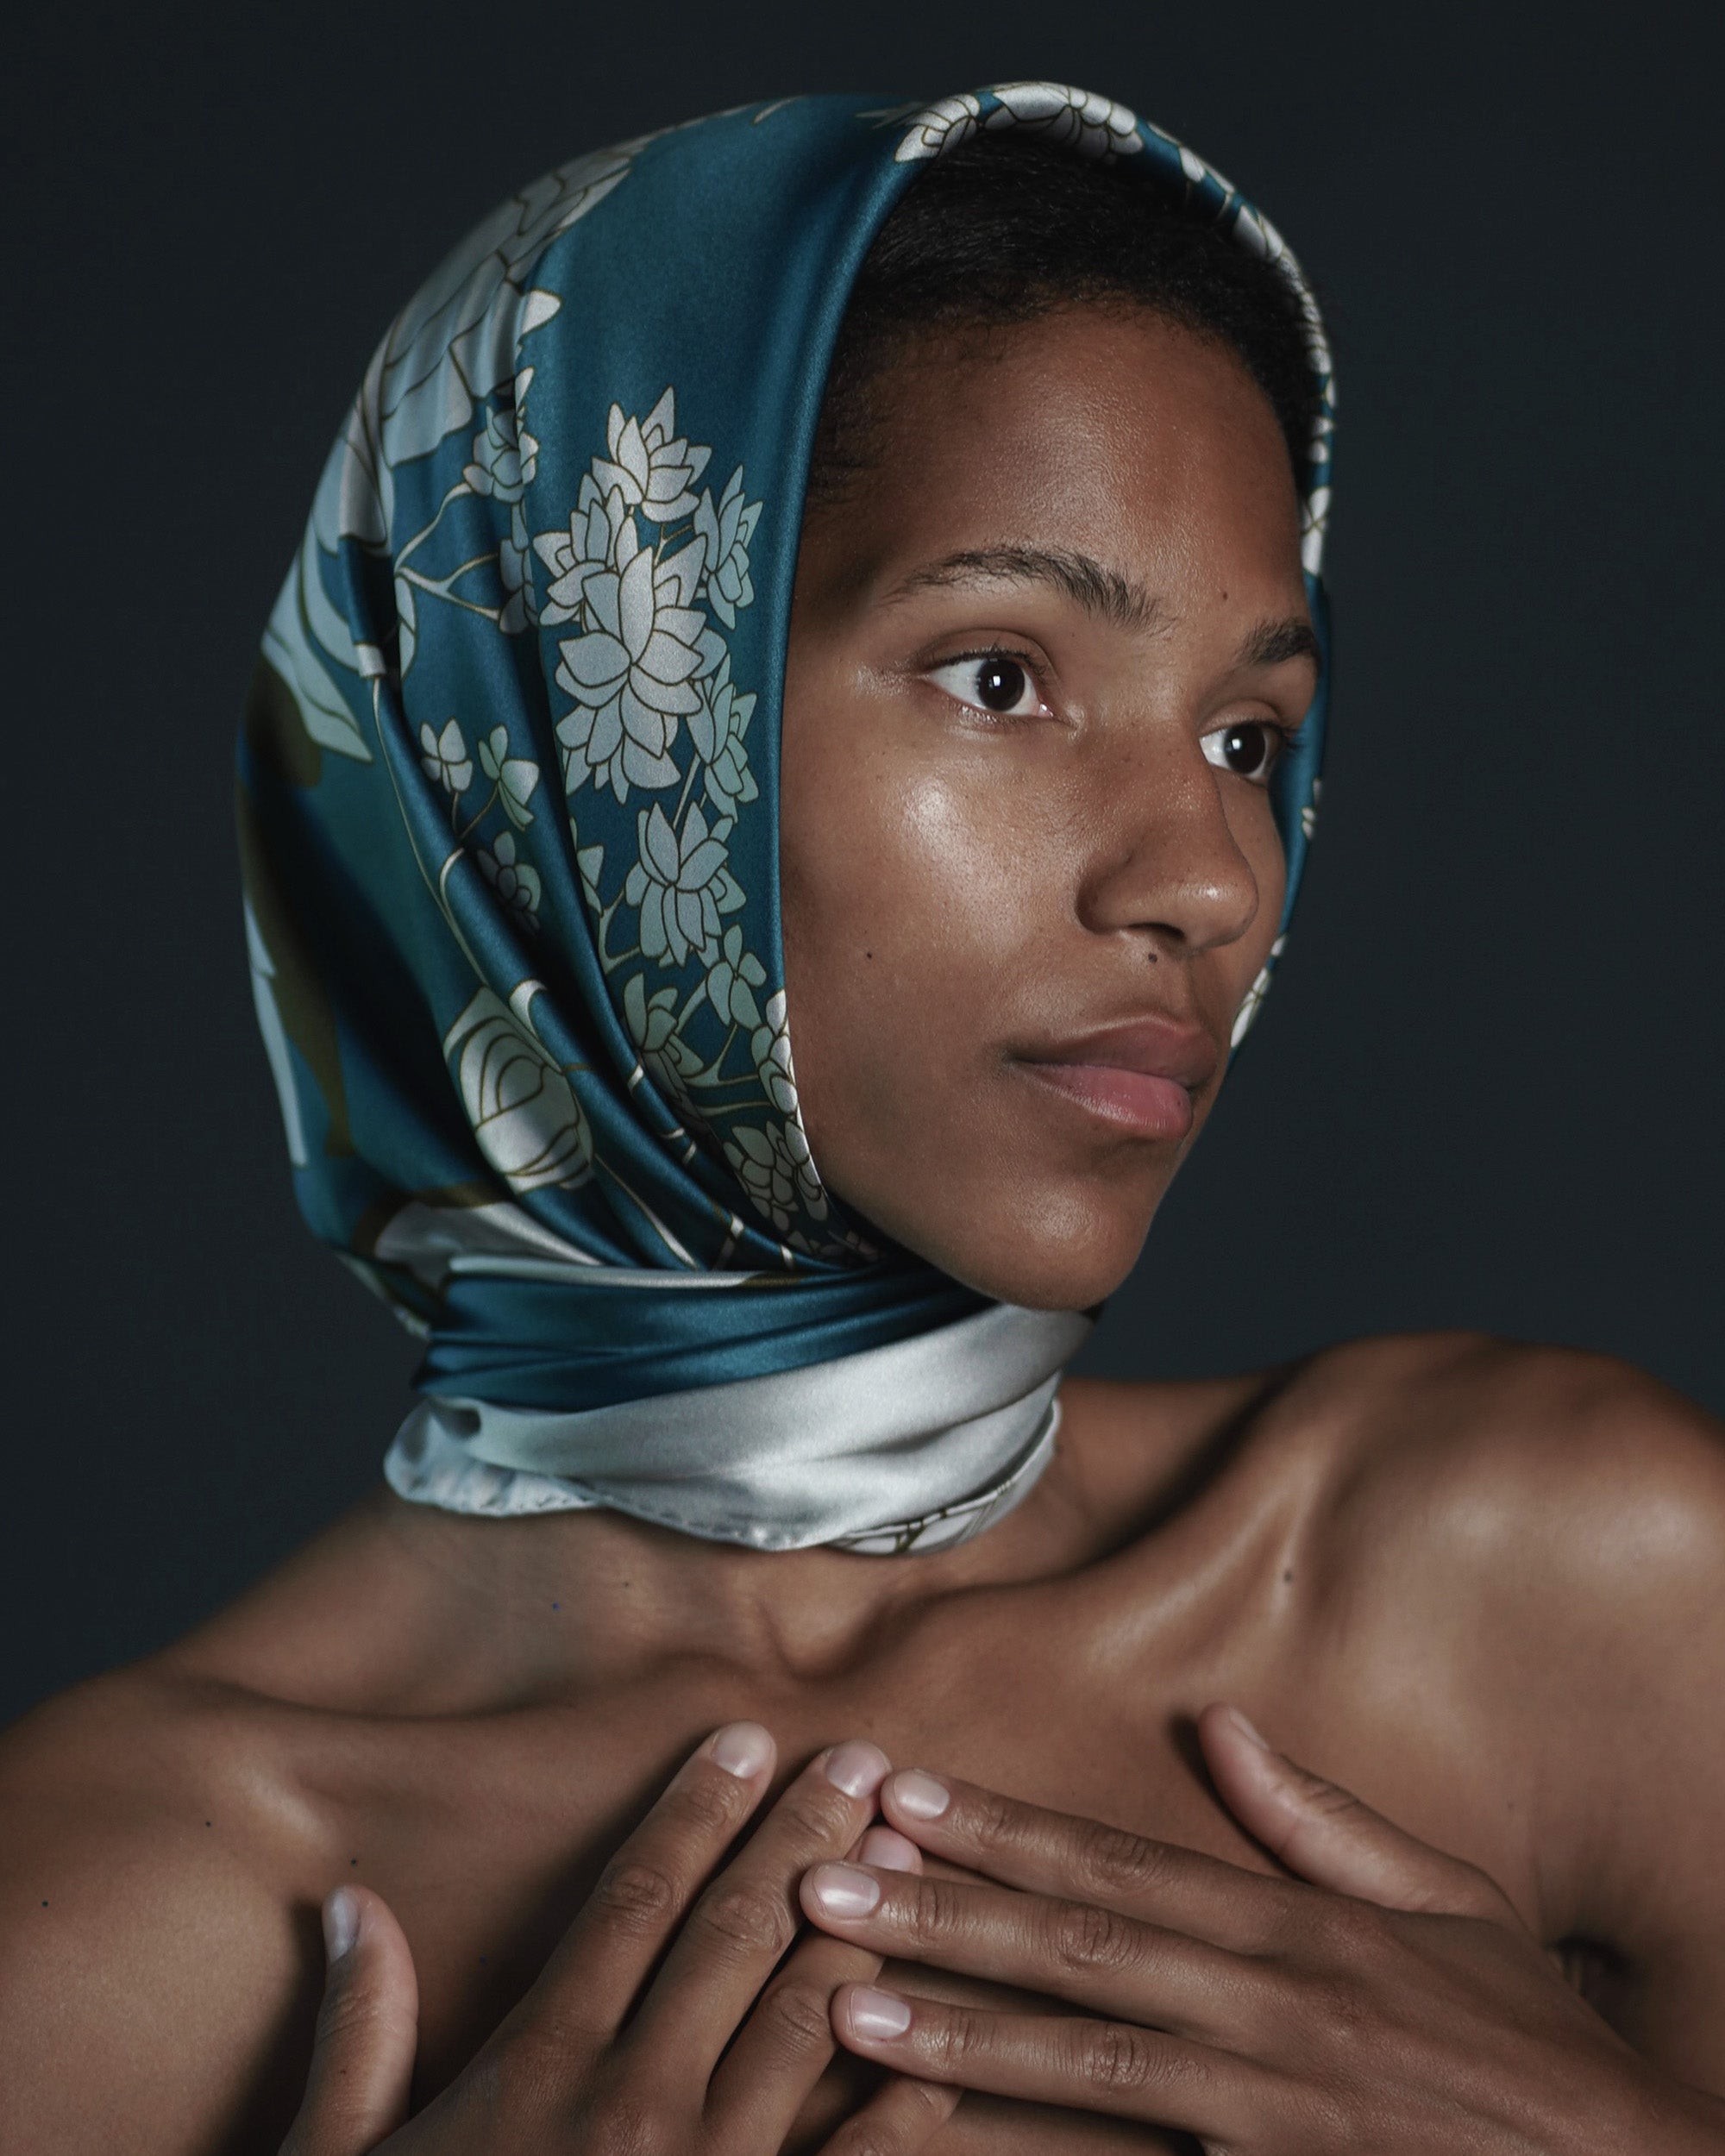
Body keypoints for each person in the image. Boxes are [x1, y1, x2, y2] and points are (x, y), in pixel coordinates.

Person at [2, 82, 1722, 2155]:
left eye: (1250, 730)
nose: (1207, 874)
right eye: (1001, 675)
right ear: (570, 726)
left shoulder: (1563, 1592)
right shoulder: (109, 1932)